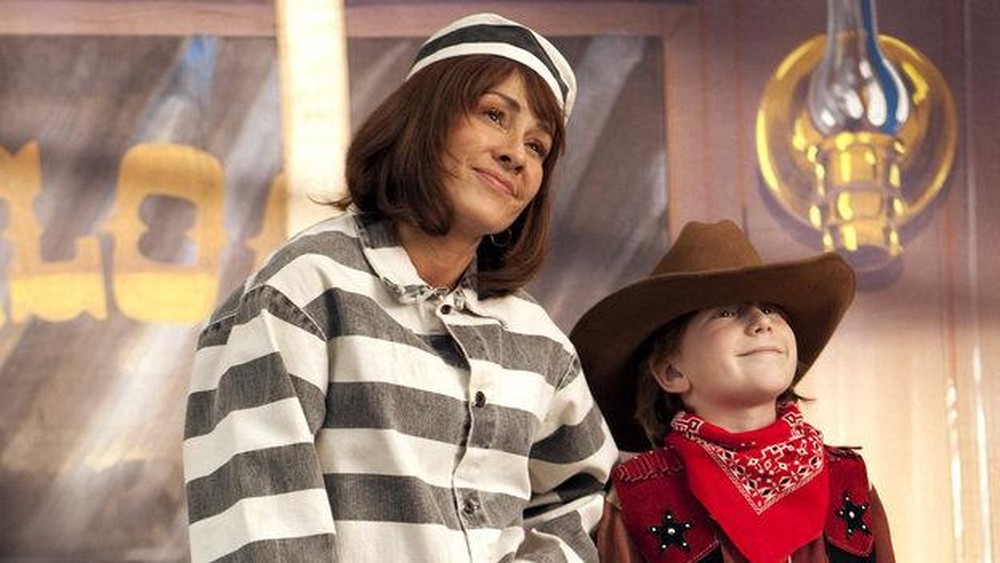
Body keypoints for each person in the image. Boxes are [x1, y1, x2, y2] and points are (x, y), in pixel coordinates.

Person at [182, 13, 617, 562]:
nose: (516, 154)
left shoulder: (540, 343)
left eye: (538, 146)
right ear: (422, 119)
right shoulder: (303, 293)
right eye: (493, 114)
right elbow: (260, 528)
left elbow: (579, 497)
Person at [569, 220, 895, 562]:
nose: (762, 322)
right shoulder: (639, 501)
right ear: (671, 371)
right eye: (726, 313)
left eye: (770, 309)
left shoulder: (851, 483)